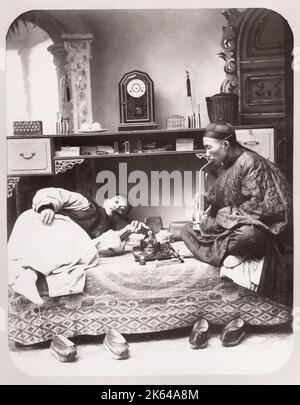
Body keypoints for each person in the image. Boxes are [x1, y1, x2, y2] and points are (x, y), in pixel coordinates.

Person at [181, 121, 293, 305]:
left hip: (257, 226)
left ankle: (224, 252)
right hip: (232, 224)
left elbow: (260, 206)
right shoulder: (222, 166)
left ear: (225, 144)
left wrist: (219, 219)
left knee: (250, 235)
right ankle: (226, 253)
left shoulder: (251, 161)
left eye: (209, 148)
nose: (207, 154)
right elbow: (220, 198)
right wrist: (205, 200)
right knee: (186, 229)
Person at [8, 187, 147, 305]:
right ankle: (29, 276)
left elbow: (100, 246)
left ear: (119, 217)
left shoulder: (108, 229)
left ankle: (30, 275)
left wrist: (126, 232)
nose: (117, 207)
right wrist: (46, 208)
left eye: (122, 209)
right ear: (106, 201)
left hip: (51, 243)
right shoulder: (85, 204)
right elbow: (51, 192)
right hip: (40, 224)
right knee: (85, 250)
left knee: (88, 252)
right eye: (116, 201)